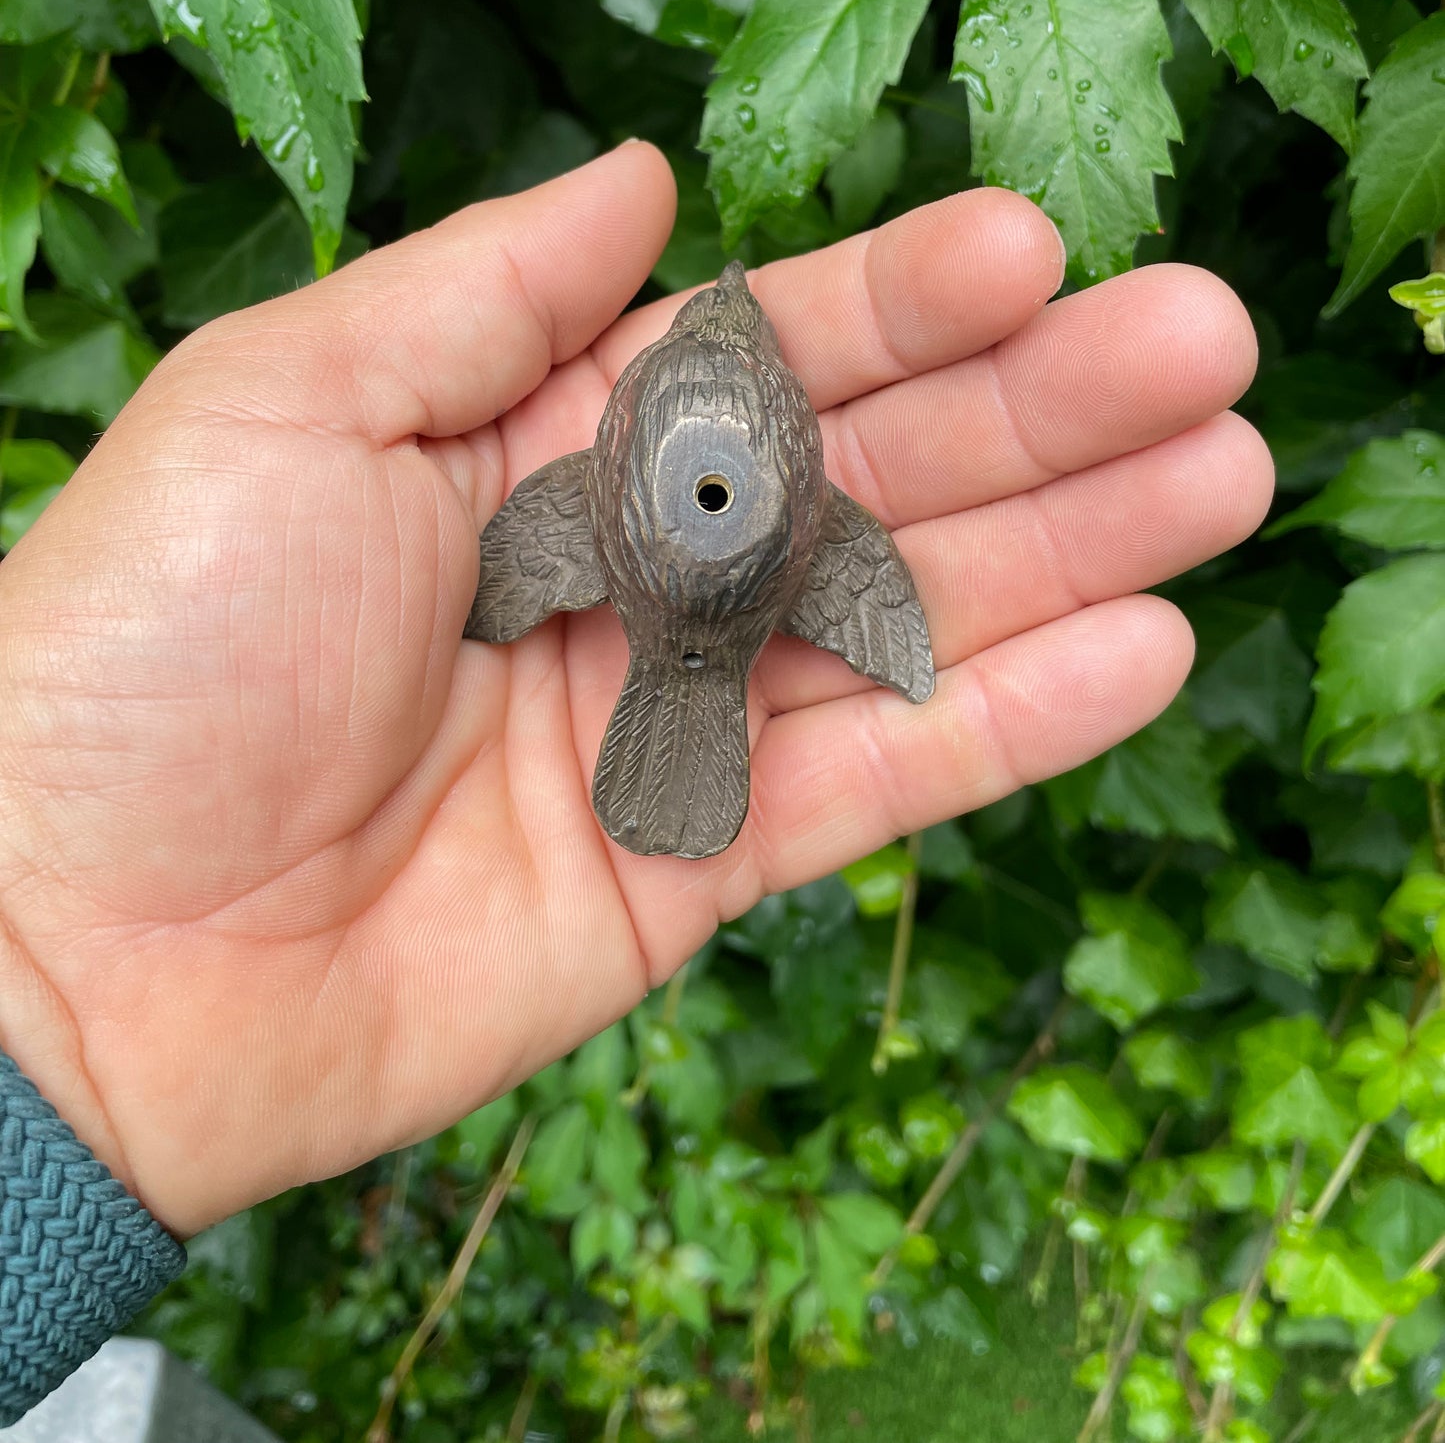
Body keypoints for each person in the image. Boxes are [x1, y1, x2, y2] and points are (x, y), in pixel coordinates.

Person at [0, 143, 1273, 1417]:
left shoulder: (603, 478)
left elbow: (544, 541)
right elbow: (842, 565)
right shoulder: (812, 510)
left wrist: (49, 968)